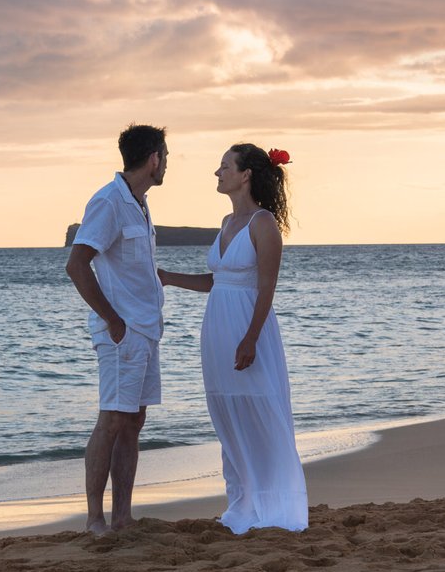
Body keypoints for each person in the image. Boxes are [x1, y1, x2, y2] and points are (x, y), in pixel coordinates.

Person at [160, 144, 307, 532]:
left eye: (225, 166)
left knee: (260, 412)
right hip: (217, 330)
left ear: (245, 175)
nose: (217, 172)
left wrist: (251, 338)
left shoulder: (264, 224)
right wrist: (167, 277)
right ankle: (241, 503)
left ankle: (274, 506)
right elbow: (217, 281)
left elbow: (266, 288)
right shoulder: (227, 222)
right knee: (228, 415)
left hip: (248, 329)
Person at [65, 125, 168, 534]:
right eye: (166, 157)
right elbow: (77, 265)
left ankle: (123, 516)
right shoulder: (108, 201)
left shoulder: (138, 202)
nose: (166, 165)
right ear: (154, 159)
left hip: (146, 329)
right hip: (122, 332)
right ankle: (95, 519)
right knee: (111, 420)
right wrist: (113, 320)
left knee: (133, 421)